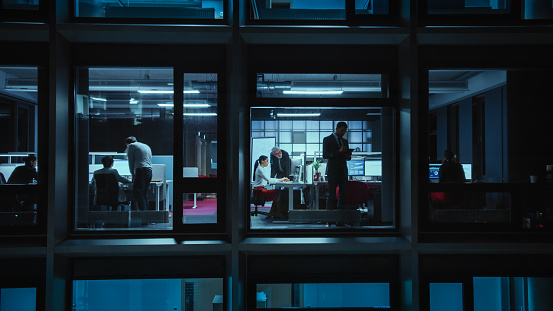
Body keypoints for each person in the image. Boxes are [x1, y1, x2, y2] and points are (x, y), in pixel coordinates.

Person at [323, 122, 351, 226]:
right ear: (337, 129)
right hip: (333, 171)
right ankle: (329, 220)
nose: (343, 133)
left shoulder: (345, 141)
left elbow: (348, 157)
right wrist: (339, 151)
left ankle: (340, 220)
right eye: (342, 130)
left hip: (343, 170)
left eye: (345, 131)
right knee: (331, 195)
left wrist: (348, 154)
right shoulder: (327, 139)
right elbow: (325, 155)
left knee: (343, 195)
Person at [253, 155, 289, 219]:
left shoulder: (261, 169)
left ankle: (273, 212)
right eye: (267, 161)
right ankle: (277, 212)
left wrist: (280, 179)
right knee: (278, 192)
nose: (268, 163)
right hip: (260, 191)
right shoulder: (260, 169)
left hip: (260, 190)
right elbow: (269, 180)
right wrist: (282, 179)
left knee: (278, 193)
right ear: (262, 161)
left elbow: (268, 180)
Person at [125, 136, 152, 210]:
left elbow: (131, 161)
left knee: (138, 194)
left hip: (141, 171)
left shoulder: (131, 146)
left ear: (128, 144)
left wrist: (132, 174)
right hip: (149, 171)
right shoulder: (146, 146)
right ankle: (146, 218)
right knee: (144, 194)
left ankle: (142, 215)